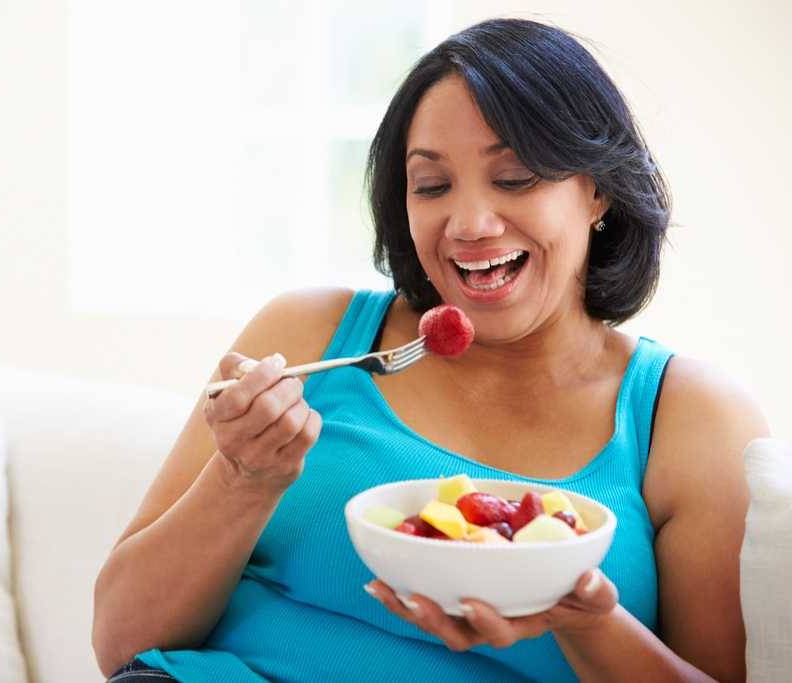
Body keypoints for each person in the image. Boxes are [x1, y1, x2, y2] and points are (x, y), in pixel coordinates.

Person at [92, 17, 769, 683]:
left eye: (515, 178)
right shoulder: (310, 334)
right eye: (432, 185)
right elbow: (121, 640)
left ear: (597, 189)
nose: (470, 223)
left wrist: (585, 620)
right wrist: (243, 480)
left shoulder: (694, 419)